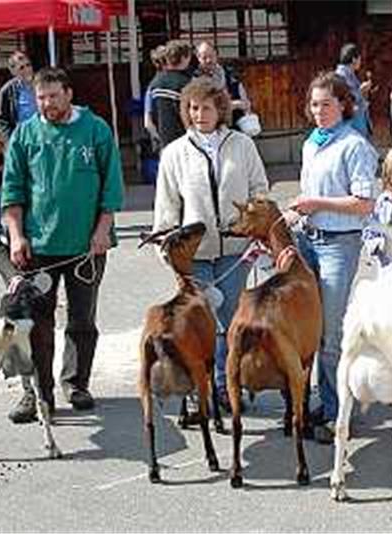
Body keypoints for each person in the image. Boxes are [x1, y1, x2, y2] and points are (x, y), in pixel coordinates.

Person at [1, 67, 125, 423]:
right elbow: (12, 189)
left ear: (69, 94)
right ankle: (36, 394)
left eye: (54, 96)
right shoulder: (25, 134)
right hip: (39, 245)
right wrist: (16, 234)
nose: (48, 103)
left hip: (88, 245)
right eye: (41, 97)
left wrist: (103, 229)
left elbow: (112, 187)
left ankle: (76, 383)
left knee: (82, 318)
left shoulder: (96, 130)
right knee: (31, 322)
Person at [153, 77, 269, 414]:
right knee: (198, 323)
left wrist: (257, 230)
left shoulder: (242, 145)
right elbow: (167, 206)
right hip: (194, 255)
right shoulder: (174, 153)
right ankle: (196, 386)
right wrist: (169, 249)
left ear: (220, 109)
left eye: (206, 107)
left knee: (229, 321)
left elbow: (259, 189)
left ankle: (223, 384)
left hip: (236, 252)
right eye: (193, 107)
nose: (199, 113)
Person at [290, 71, 378, 443]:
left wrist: (316, 204)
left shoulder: (355, 145)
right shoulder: (312, 143)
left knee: (330, 332)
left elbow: (364, 204)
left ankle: (336, 411)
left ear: (344, 105)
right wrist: (297, 210)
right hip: (307, 237)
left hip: (338, 243)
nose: (319, 111)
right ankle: (322, 401)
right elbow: (308, 192)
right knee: (307, 328)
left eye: (327, 103)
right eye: (314, 104)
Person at [195, 41, 252, 131]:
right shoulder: (195, 79)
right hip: (210, 128)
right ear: (198, 58)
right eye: (204, 57)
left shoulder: (229, 74)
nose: (209, 60)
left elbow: (244, 99)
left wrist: (246, 109)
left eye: (211, 56)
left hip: (233, 125)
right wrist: (232, 105)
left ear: (216, 55)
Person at [148, 40, 194, 149]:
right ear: (184, 58)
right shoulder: (187, 84)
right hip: (183, 140)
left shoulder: (155, 83)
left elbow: (150, 116)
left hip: (163, 141)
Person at [0, 50, 37, 140]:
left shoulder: (42, 84)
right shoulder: (6, 91)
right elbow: (3, 121)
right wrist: (10, 139)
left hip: (43, 135)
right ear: (13, 72)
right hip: (21, 137)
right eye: (21, 68)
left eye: (28, 65)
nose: (27, 70)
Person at [334, 43, 373, 138]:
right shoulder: (341, 76)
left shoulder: (350, 74)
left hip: (357, 121)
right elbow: (347, 98)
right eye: (360, 59)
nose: (360, 62)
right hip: (352, 123)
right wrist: (361, 90)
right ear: (354, 59)